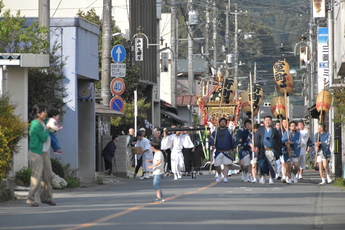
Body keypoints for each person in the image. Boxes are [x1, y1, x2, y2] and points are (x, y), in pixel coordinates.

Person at [27, 104, 56, 207]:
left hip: (44, 152)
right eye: (44, 111)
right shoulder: (35, 124)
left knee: (48, 175)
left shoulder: (43, 122)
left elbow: (51, 129)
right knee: (37, 176)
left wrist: (53, 127)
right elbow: (43, 138)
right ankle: (31, 199)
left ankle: (46, 198)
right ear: (38, 114)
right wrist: (48, 129)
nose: (46, 113)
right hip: (36, 153)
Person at [254, 115, 282, 185]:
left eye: (269, 120)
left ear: (271, 121)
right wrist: (256, 146)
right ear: (264, 121)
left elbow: (278, 140)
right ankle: (262, 176)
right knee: (261, 164)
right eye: (266, 120)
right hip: (262, 150)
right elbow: (257, 139)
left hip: (271, 150)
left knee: (271, 165)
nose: (267, 121)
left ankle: (270, 178)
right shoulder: (260, 130)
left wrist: (278, 150)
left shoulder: (274, 130)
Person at [209, 117, 237, 183]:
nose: (222, 123)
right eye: (221, 122)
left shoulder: (229, 131)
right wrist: (212, 144)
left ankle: (225, 177)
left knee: (226, 164)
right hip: (218, 150)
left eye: (224, 122)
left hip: (227, 150)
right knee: (216, 164)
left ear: (226, 123)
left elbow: (233, 139)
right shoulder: (216, 131)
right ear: (219, 123)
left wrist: (234, 147)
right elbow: (211, 138)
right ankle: (219, 175)